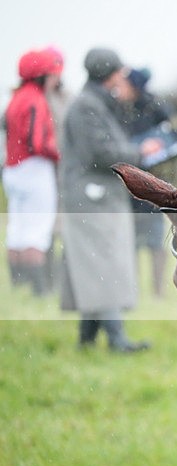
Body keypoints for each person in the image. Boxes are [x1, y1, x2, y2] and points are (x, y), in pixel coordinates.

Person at [59, 47, 160, 353]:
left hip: (97, 197)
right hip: (93, 199)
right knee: (104, 266)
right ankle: (116, 340)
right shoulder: (87, 106)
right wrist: (141, 153)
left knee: (95, 266)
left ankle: (87, 340)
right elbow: (101, 153)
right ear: (110, 73)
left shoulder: (95, 103)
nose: (122, 77)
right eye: (119, 71)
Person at [118, 67, 177, 298]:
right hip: (128, 183)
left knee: (155, 240)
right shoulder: (120, 108)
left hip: (154, 182)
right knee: (132, 241)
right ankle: (132, 288)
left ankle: (158, 291)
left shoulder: (156, 105)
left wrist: (157, 142)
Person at [2, 47, 64, 295]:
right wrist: (60, 154)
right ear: (43, 75)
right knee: (37, 231)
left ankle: (18, 286)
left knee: (17, 229)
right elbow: (37, 142)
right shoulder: (36, 99)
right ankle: (39, 291)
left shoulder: (15, 97)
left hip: (13, 170)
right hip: (35, 169)